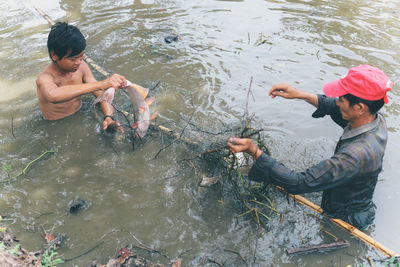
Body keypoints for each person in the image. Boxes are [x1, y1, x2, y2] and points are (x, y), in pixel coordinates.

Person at [227, 65, 393, 230]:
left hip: (346, 221)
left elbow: (299, 183)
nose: (338, 102)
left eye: (341, 99)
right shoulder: (374, 119)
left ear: (359, 108)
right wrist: (299, 94)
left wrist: (254, 151)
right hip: (352, 199)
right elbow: (332, 106)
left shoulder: (354, 156)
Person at [36, 22, 127, 132]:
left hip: (80, 112)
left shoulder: (81, 66)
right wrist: (102, 84)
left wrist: (108, 117)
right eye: (73, 59)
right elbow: (53, 95)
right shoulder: (45, 77)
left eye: (81, 56)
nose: (78, 62)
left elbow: (100, 94)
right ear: (54, 55)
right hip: (56, 125)